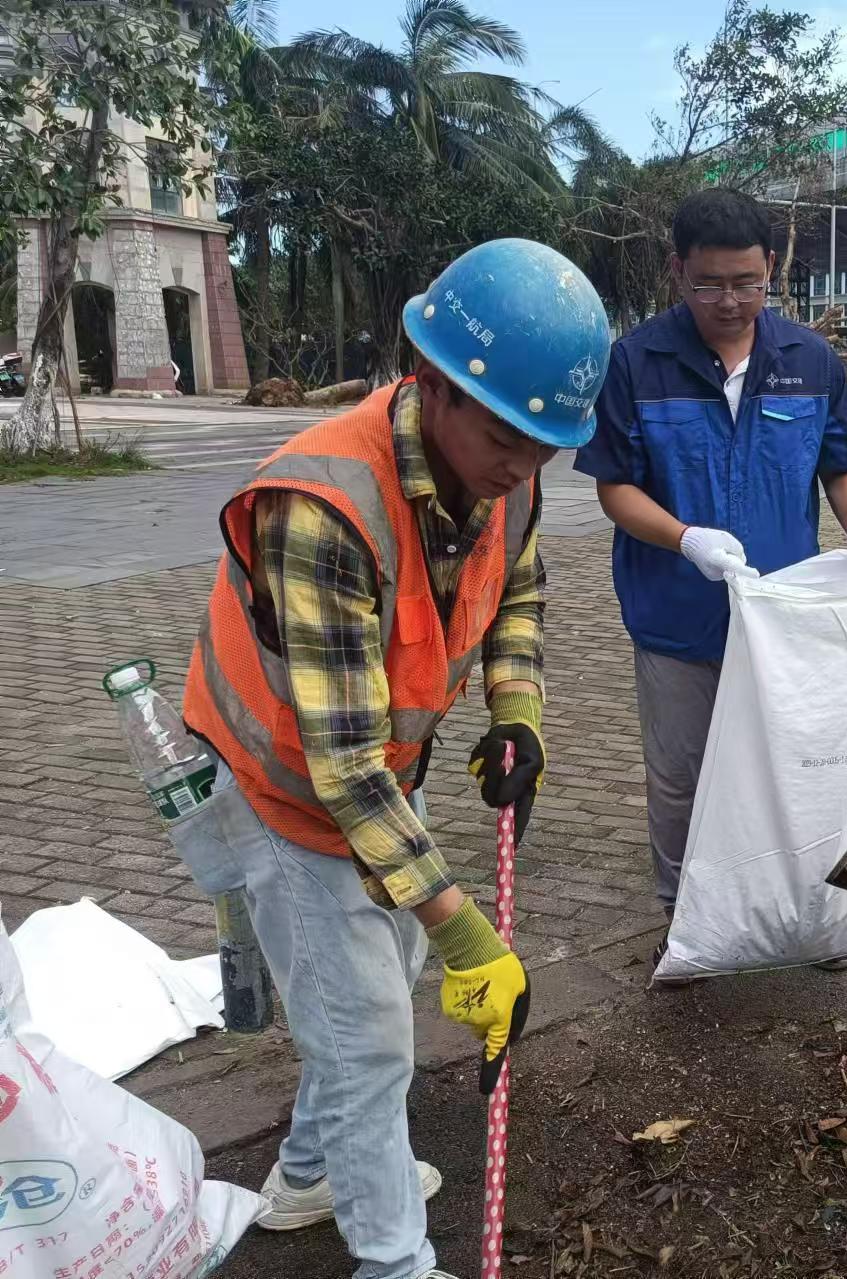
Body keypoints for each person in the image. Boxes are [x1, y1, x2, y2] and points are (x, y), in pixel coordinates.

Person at [181, 238, 610, 1279]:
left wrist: (517, 710)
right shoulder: (321, 506)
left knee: (365, 987)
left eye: (544, 445)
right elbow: (340, 767)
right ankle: (394, 1261)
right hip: (282, 788)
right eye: (508, 436)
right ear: (434, 387)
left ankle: (305, 1174)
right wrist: (465, 928)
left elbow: (518, 589)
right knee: (371, 1038)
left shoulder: (508, 478)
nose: (524, 464)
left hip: (373, 778)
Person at [572, 188, 847, 973]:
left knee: (796, 771)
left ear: (772, 268)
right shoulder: (638, 362)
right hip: (678, 617)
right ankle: (690, 923)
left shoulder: (809, 362)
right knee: (682, 780)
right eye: (709, 283)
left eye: (748, 282)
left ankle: (807, 909)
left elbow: (841, 463)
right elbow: (615, 487)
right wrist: (684, 538)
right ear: (678, 271)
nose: (730, 300)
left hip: (787, 626)